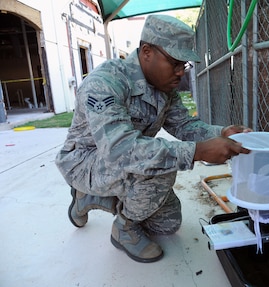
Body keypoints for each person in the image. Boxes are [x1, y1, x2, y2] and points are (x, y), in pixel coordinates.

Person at [55, 14, 250, 263]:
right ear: (147, 51)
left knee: (168, 223)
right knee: (161, 169)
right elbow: (120, 150)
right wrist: (197, 151)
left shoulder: (164, 87)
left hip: (122, 164)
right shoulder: (105, 84)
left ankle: (92, 197)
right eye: (175, 62)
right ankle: (123, 228)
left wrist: (221, 133)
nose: (181, 72)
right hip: (85, 162)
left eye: (185, 64)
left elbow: (184, 124)